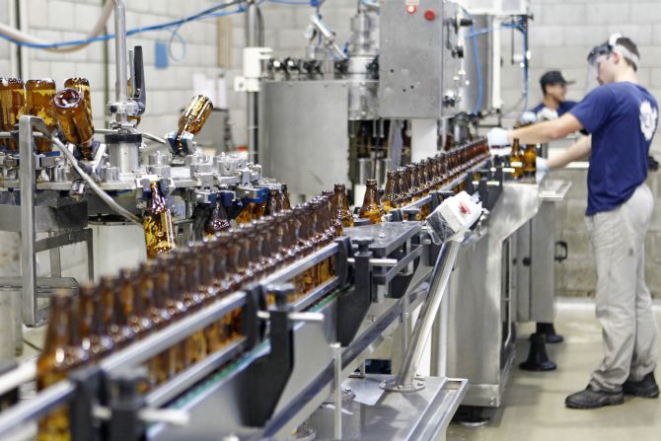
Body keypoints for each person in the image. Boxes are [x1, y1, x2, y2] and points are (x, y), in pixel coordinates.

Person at [487, 34, 659, 409]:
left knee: (614, 300)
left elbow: (555, 130)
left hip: (615, 205)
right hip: (638, 197)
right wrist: (549, 163)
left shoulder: (610, 94)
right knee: (634, 293)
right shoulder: (645, 99)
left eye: (598, 65)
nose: (595, 75)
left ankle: (609, 383)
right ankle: (642, 375)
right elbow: (592, 142)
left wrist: (507, 136)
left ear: (614, 57)